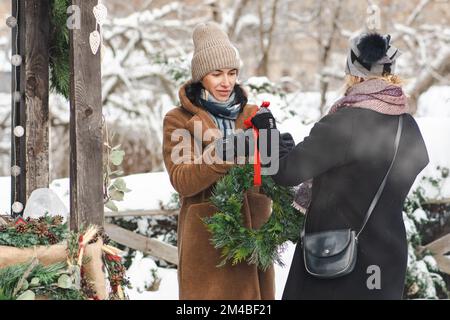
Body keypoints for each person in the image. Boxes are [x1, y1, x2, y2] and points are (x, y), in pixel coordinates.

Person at [250, 32, 429, 299]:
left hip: (336, 260)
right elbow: (414, 163)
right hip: (387, 260)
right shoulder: (407, 124)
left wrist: (267, 132)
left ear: (352, 71)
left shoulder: (346, 123)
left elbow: (287, 171)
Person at [162, 22, 275, 300]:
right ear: (201, 77)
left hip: (252, 237)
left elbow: (271, 177)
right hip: (207, 242)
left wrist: (275, 144)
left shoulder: (252, 114)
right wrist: (225, 152)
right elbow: (183, 179)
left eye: (232, 73)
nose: (226, 82)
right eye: (217, 74)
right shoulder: (180, 120)